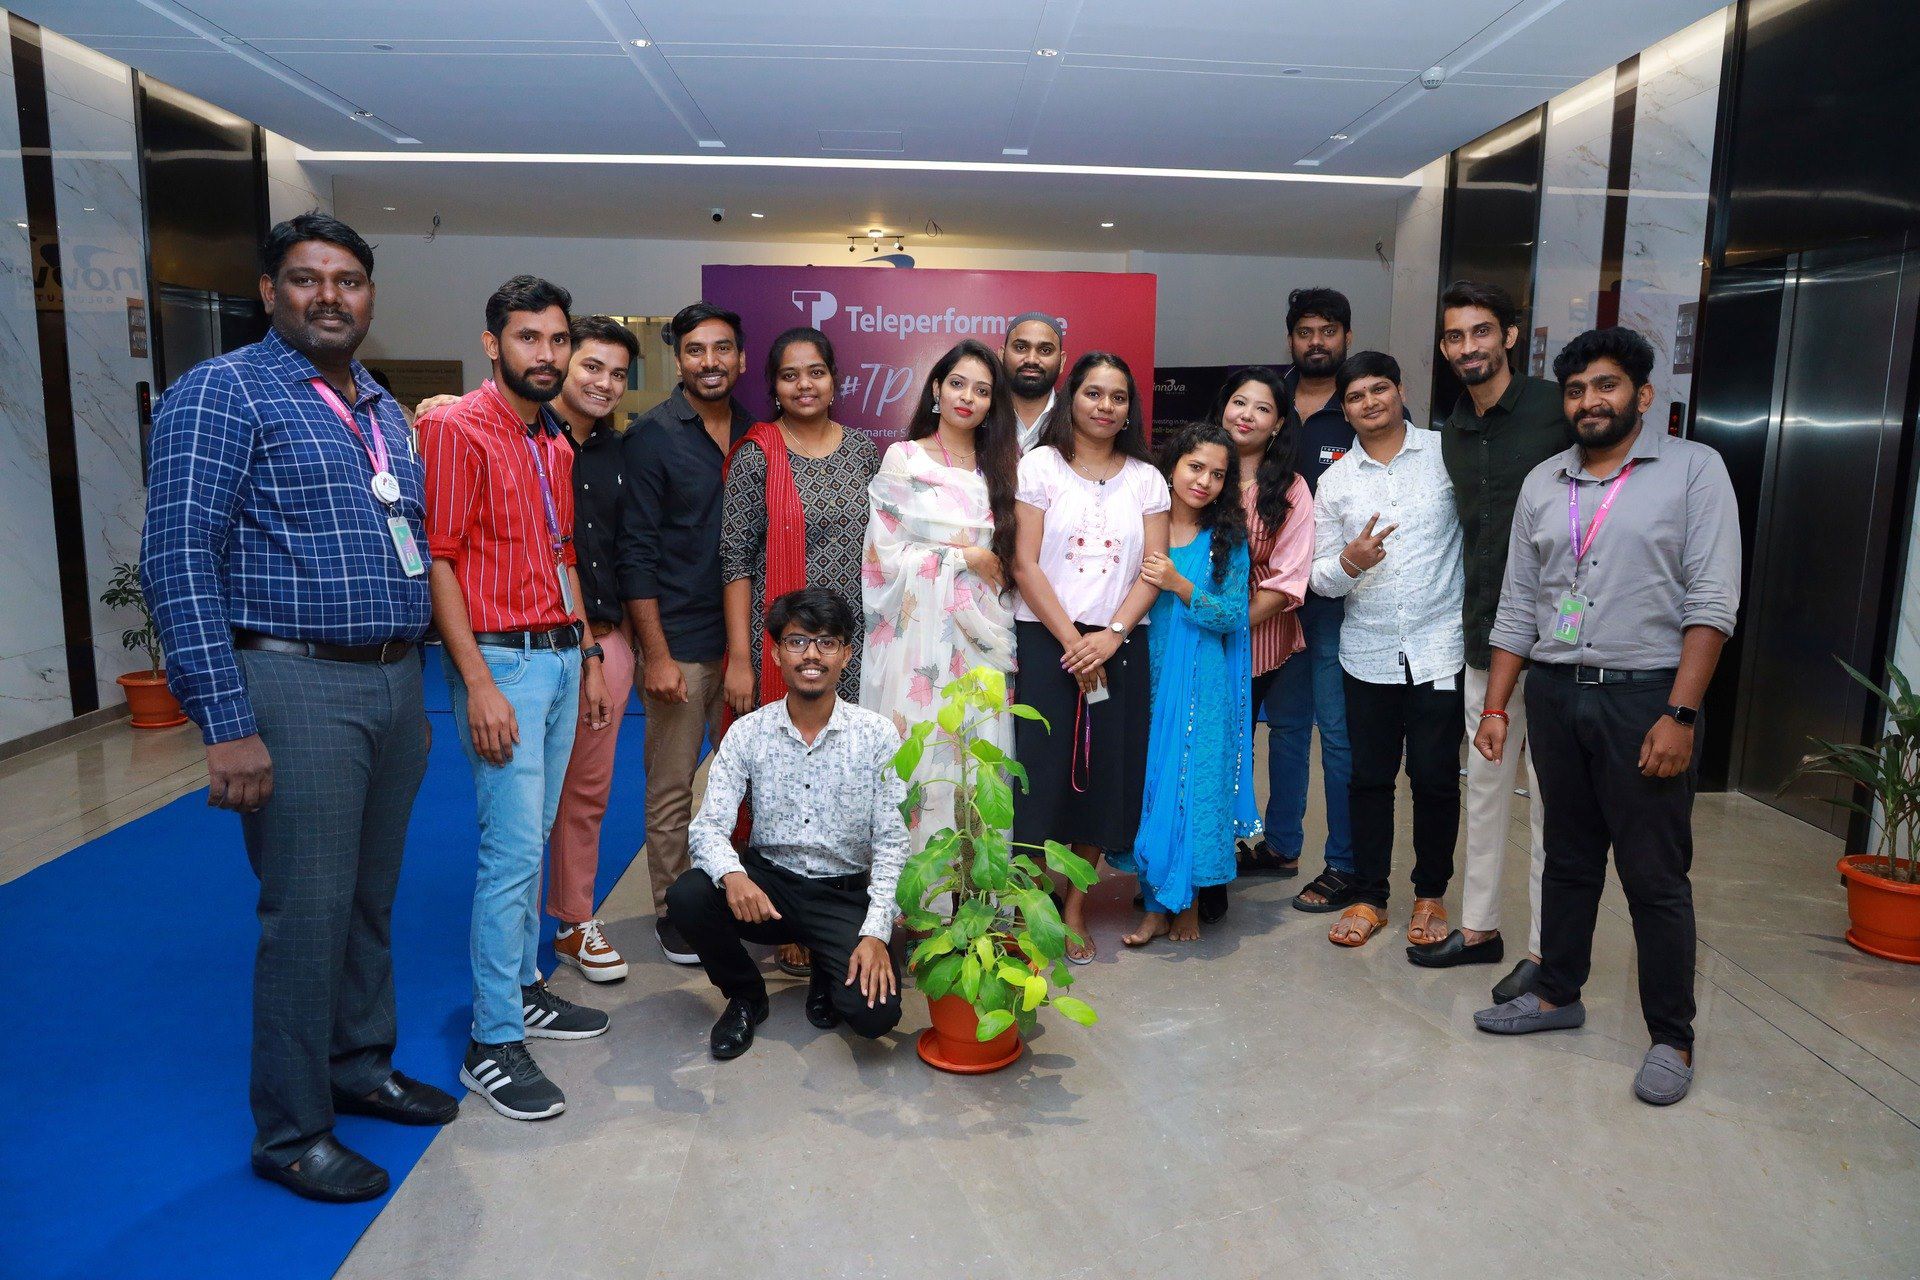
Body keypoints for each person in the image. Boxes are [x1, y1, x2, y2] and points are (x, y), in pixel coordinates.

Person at [142, 213, 456, 1203]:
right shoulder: (222, 391)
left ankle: (358, 1064)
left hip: (391, 680)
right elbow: (177, 559)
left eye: (349, 279)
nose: (331, 295)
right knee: (307, 913)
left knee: (368, 900)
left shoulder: (382, 408)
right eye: (308, 278)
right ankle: (290, 1129)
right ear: (269, 291)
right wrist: (226, 719)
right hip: (292, 682)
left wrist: (412, 688)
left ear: (370, 296)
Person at [1472, 327, 1741, 1108]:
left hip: (1645, 696)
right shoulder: (1543, 483)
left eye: (1606, 385)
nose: (1590, 401)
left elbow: (1712, 602)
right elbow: (1518, 604)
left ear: (1643, 394)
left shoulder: (1693, 471)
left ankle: (1672, 1037)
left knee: (1654, 876)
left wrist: (1679, 713)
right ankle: (1557, 991)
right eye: (1576, 389)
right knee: (1567, 855)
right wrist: (1497, 705)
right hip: (1556, 694)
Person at [420, 275, 612, 1123]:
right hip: (502, 664)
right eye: (529, 337)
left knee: (532, 842)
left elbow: (564, 555)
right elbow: (440, 560)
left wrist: (590, 655)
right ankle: (492, 1041)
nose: (547, 353)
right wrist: (477, 683)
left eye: (558, 339)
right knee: (509, 855)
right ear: (493, 343)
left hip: (562, 656)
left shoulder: (554, 444)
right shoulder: (456, 429)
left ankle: (523, 989)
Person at [667, 587, 909, 1059]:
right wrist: (734, 875)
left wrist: (876, 933)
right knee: (689, 895)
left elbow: (892, 842)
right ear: (777, 653)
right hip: (769, 888)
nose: (811, 655)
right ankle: (745, 996)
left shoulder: (876, 735)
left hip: (841, 893)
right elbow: (708, 826)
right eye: (798, 641)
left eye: (826, 642)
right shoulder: (748, 732)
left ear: (846, 655)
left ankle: (827, 968)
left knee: (875, 1017)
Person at [1415, 280, 1570, 999]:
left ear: (1510, 335)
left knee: (1551, 807)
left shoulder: (1555, 409)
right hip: (1483, 637)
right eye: (1454, 336)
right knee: (1483, 790)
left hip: (1561, 645)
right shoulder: (1453, 427)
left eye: (1481, 331)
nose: (1467, 347)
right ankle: (1479, 929)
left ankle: (1544, 951)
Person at [1011, 351, 1170, 964]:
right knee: (1039, 775)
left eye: (1118, 397)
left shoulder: (1147, 480)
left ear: (1130, 409)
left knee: (1105, 777)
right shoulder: (1039, 466)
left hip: (1119, 643)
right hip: (1046, 639)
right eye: (1094, 393)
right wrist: (1074, 642)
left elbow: (1155, 569)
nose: (1105, 406)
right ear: (1071, 397)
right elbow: (1025, 564)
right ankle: (1031, 905)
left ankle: (1075, 904)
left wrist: (1112, 634)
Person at [1309, 353, 1465, 949]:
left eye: (1380, 389)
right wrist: (1350, 562)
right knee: (1369, 779)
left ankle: (1430, 895)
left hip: (1439, 648)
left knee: (1435, 779)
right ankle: (1370, 896)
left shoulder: (1446, 455)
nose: (1370, 402)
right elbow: (1319, 577)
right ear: (1344, 410)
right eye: (1356, 396)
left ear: (1400, 391)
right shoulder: (1336, 481)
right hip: (1368, 652)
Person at [619, 302, 753, 967]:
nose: (710, 361)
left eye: (722, 348)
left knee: (750, 785)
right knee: (673, 787)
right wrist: (656, 654)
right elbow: (635, 551)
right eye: (696, 350)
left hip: (748, 645)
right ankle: (674, 907)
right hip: (679, 642)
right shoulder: (652, 435)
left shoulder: (760, 433)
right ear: (679, 360)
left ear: (741, 359)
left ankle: (740, 893)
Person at [861, 339, 1021, 848]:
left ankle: (977, 886)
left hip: (984, 636)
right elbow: (883, 558)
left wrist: (985, 564)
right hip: (919, 637)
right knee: (924, 751)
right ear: (936, 388)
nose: (967, 398)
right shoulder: (904, 458)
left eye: (982, 390)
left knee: (982, 758)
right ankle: (919, 886)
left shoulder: (1004, 467)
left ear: (993, 403)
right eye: (957, 384)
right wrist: (964, 557)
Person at [1112, 422, 1258, 946]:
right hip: (1144, 672)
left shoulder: (1226, 541)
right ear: (1171, 466)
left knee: (1193, 783)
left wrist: (1180, 585)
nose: (1204, 481)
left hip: (1203, 684)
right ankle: (1154, 906)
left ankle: (1190, 902)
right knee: (1151, 782)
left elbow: (1232, 615)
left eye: (1218, 475)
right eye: (1195, 467)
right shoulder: (1138, 524)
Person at [546, 317, 645, 981]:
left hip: (607, 642)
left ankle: (573, 920)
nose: (605, 383)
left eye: (617, 374)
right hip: (529, 644)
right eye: (592, 367)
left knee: (587, 791)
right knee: (524, 802)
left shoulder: (619, 453)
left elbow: (629, 550)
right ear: (561, 361)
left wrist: (624, 644)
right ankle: (510, 933)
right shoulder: (523, 436)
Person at [723, 326, 882, 712]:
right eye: (789, 375)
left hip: (851, 639)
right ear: (775, 388)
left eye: (816, 372)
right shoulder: (756, 455)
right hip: (784, 641)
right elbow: (735, 563)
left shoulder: (861, 450)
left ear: (833, 380)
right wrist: (740, 660)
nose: (804, 385)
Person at [1276, 288, 1361, 914]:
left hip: (1335, 597)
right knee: (1283, 726)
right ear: (1290, 338)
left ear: (1346, 337)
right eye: (1305, 331)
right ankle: (1281, 845)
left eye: (1328, 331)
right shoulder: (1267, 398)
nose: (1316, 342)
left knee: (1336, 732)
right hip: (1272, 596)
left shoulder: (1360, 402)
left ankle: (1344, 863)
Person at [1215, 367, 1314, 907]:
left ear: (1277, 424)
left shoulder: (1291, 488)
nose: (1247, 415)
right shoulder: (1201, 471)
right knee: (1225, 745)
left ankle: (1279, 846)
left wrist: (1223, 620)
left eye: (1262, 408)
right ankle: (1217, 846)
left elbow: (1287, 578)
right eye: (1239, 402)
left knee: (1284, 742)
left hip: (1270, 638)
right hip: (1206, 641)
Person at [1000, 311, 1065, 452]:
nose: (1031, 359)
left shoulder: (1075, 419)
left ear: (1062, 361)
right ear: (1001, 355)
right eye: (1021, 348)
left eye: (1045, 350)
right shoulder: (982, 414)